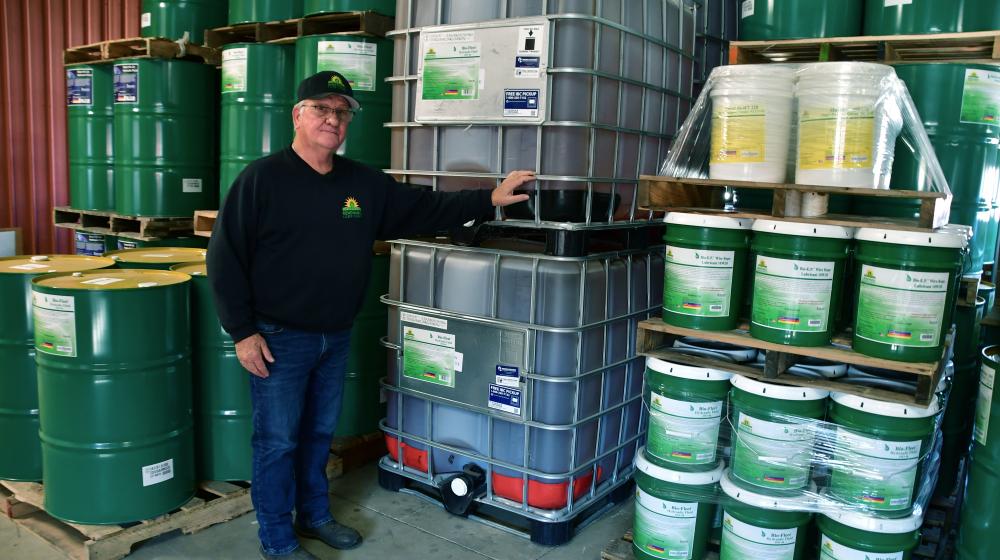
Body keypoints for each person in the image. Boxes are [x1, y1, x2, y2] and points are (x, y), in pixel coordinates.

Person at [206, 70, 534, 559]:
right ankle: (277, 540)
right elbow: (224, 256)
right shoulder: (262, 179)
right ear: (298, 115)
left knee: (319, 434)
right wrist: (243, 332)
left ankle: (314, 516)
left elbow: (426, 206)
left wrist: (488, 197)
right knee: (277, 443)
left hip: (334, 336)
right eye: (322, 109)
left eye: (341, 112)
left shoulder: (362, 183)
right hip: (278, 338)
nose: (332, 119)